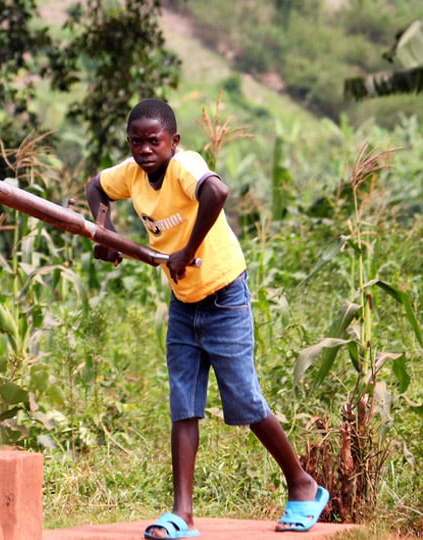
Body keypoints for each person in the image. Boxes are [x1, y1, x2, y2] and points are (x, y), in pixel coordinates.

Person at [85, 98, 329, 539]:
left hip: (223, 296)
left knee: (245, 401)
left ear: (173, 142)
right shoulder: (132, 174)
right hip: (184, 303)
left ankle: (303, 485)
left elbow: (217, 192)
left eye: (153, 141)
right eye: (136, 141)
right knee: (184, 404)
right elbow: (95, 187)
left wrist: (189, 250)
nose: (144, 150)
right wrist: (106, 229)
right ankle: (183, 515)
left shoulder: (185, 166)